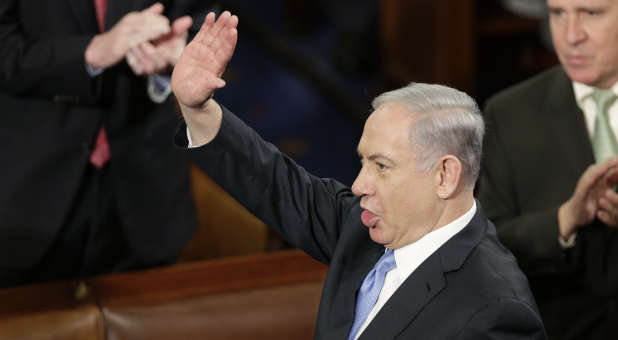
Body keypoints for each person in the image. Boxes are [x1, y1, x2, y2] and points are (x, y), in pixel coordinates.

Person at [171, 12, 546, 339]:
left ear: (445, 175)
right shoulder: (365, 226)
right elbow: (275, 183)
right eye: (363, 163)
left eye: (381, 167)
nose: (358, 185)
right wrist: (198, 109)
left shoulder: (496, 313)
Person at [0, 0, 198, 287]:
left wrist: (177, 59)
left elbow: (199, 15)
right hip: (25, 189)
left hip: (147, 186)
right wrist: (91, 52)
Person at [478, 0, 618, 338]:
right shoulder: (510, 113)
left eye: (591, 13)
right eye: (558, 13)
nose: (570, 35)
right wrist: (564, 220)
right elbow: (486, 250)